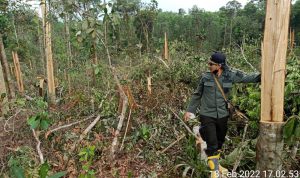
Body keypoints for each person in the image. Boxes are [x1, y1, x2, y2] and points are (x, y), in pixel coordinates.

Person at [183, 52, 260, 178]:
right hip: (207, 114)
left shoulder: (230, 76)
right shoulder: (206, 77)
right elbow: (197, 94)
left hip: (223, 115)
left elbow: (248, 78)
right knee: (212, 142)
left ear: (219, 65)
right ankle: (215, 172)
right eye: (209, 63)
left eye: (211, 64)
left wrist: (266, 75)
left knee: (219, 141)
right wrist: (189, 110)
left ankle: (215, 164)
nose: (209, 66)